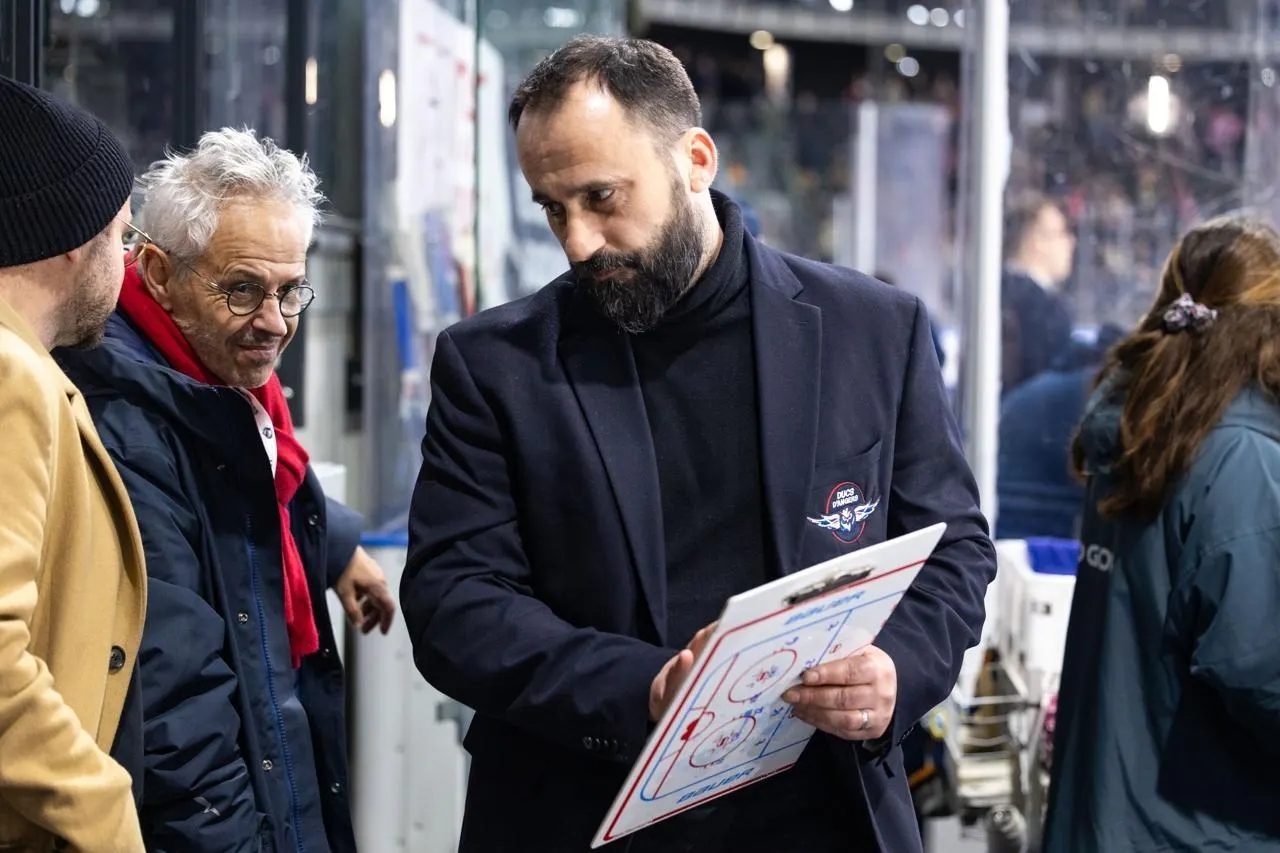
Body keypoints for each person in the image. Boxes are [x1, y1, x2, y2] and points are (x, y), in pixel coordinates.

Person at [400, 36, 996, 852]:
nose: (577, 241)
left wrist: (894, 669)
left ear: (696, 160)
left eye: (601, 197)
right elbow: (455, 604)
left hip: (823, 814)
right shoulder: (496, 366)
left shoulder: (875, 332)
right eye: (552, 208)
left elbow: (953, 548)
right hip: (584, 809)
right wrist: (647, 686)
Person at [56, 128, 396, 853]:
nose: (274, 322)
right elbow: (179, 719)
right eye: (242, 289)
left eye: (290, 290)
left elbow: (255, 479)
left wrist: (333, 543)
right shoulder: (128, 433)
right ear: (157, 272)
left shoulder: (215, 382)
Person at [1042, 217, 1280, 851]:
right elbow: (1261, 673)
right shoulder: (1240, 464)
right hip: (1200, 830)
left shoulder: (1136, 441)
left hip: (1107, 818)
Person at [0, 75, 146, 851]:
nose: (128, 259)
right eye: (122, 234)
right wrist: (105, 812)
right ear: (71, 236)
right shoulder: (10, 375)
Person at [1001, 191, 1075, 395]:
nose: (1071, 241)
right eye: (1063, 232)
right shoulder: (1046, 310)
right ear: (1037, 240)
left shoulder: (991, 292)